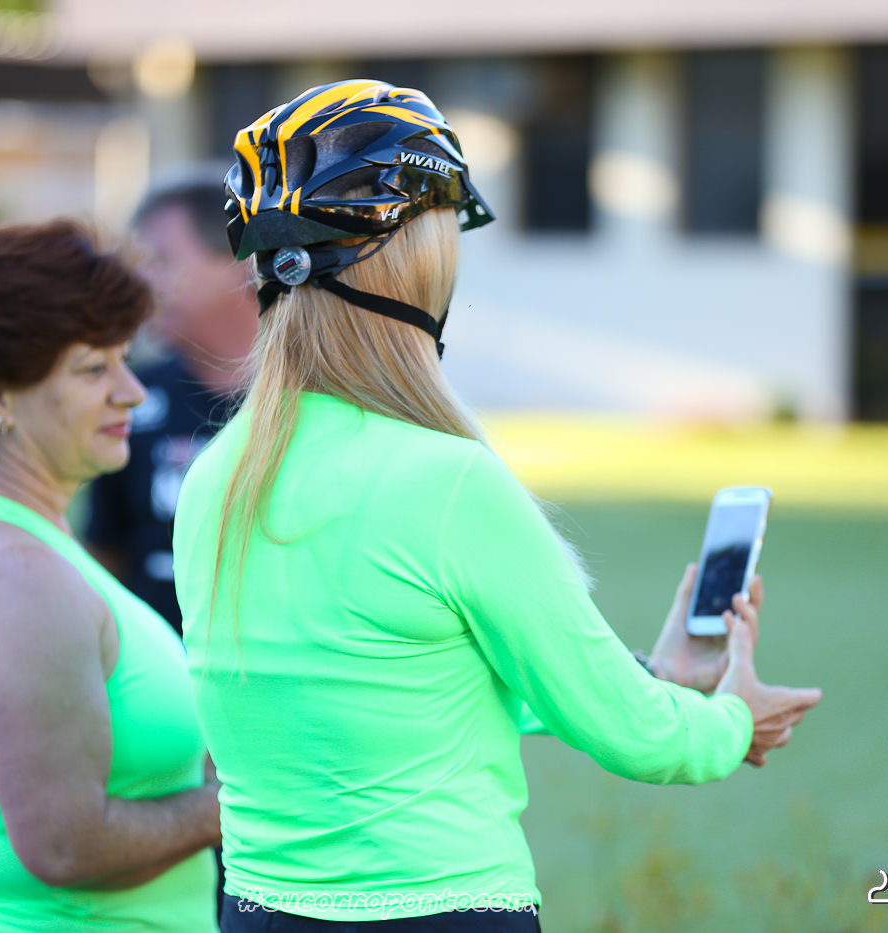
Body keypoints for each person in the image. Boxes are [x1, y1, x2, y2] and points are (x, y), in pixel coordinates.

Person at [172, 79, 824, 931]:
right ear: (414, 266)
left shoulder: (216, 478)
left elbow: (393, 686)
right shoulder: (447, 483)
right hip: (442, 910)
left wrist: (653, 672)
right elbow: (637, 737)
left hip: (258, 909)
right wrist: (734, 720)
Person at [0, 219, 220, 931]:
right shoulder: (12, 578)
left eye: (124, 359)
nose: (132, 392)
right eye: (92, 369)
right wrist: (236, 804)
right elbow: (67, 845)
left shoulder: (14, 533)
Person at [84, 175, 259, 633]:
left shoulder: (314, 396)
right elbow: (104, 556)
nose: (141, 283)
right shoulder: (129, 397)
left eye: (160, 260)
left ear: (240, 260)